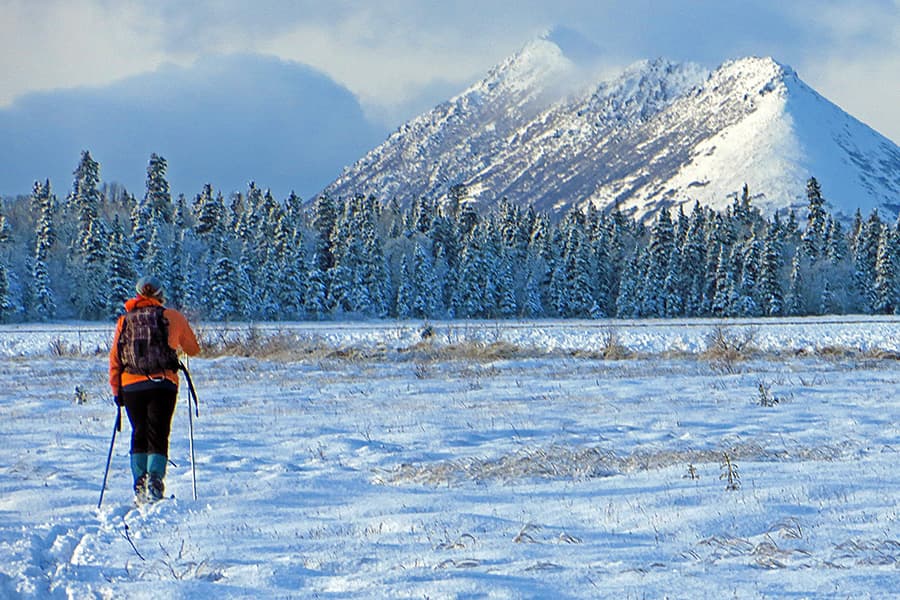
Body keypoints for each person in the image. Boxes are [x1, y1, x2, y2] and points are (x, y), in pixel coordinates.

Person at [108, 276, 200, 502]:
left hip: (130, 385)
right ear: (160, 294)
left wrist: (116, 389)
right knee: (158, 432)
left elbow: (115, 358)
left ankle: (140, 482)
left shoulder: (124, 321)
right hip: (163, 384)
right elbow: (193, 349)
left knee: (138, 432)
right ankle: (155, 481)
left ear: (138, 294)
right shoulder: (173, 317)